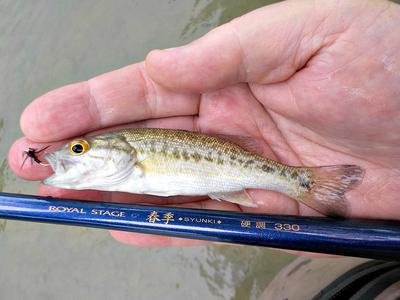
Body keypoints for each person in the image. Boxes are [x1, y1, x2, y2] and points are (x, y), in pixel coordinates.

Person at [8, 0, 400, 248]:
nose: (69, 154)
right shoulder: (122, 169)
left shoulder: (135, 160)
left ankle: (304, 183)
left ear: (123, 152)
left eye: (78, 149)